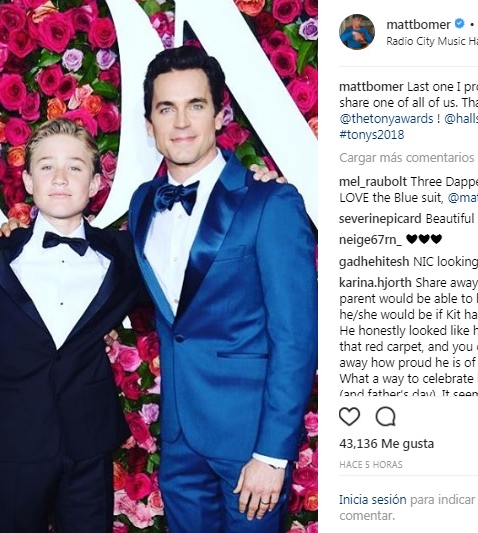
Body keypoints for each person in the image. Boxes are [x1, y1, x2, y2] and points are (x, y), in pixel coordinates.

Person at [127, 45, 317, 532]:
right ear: (149, 124)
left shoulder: (270, 203)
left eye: (195, 105)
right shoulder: (143, 202)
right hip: (179, 441)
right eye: (165, 108)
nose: (181, 122)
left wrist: (272, 454)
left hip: (250, 444)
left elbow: (295, 338)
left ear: (218, 115)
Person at [0, 118, 147, 533]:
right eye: (47, 166)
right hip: (15, 442)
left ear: (96, 183)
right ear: (28, 180)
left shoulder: (125, 256)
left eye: (75, 167)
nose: (61, 178)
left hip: (89, 444)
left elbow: (194, 259)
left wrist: (258, 186)